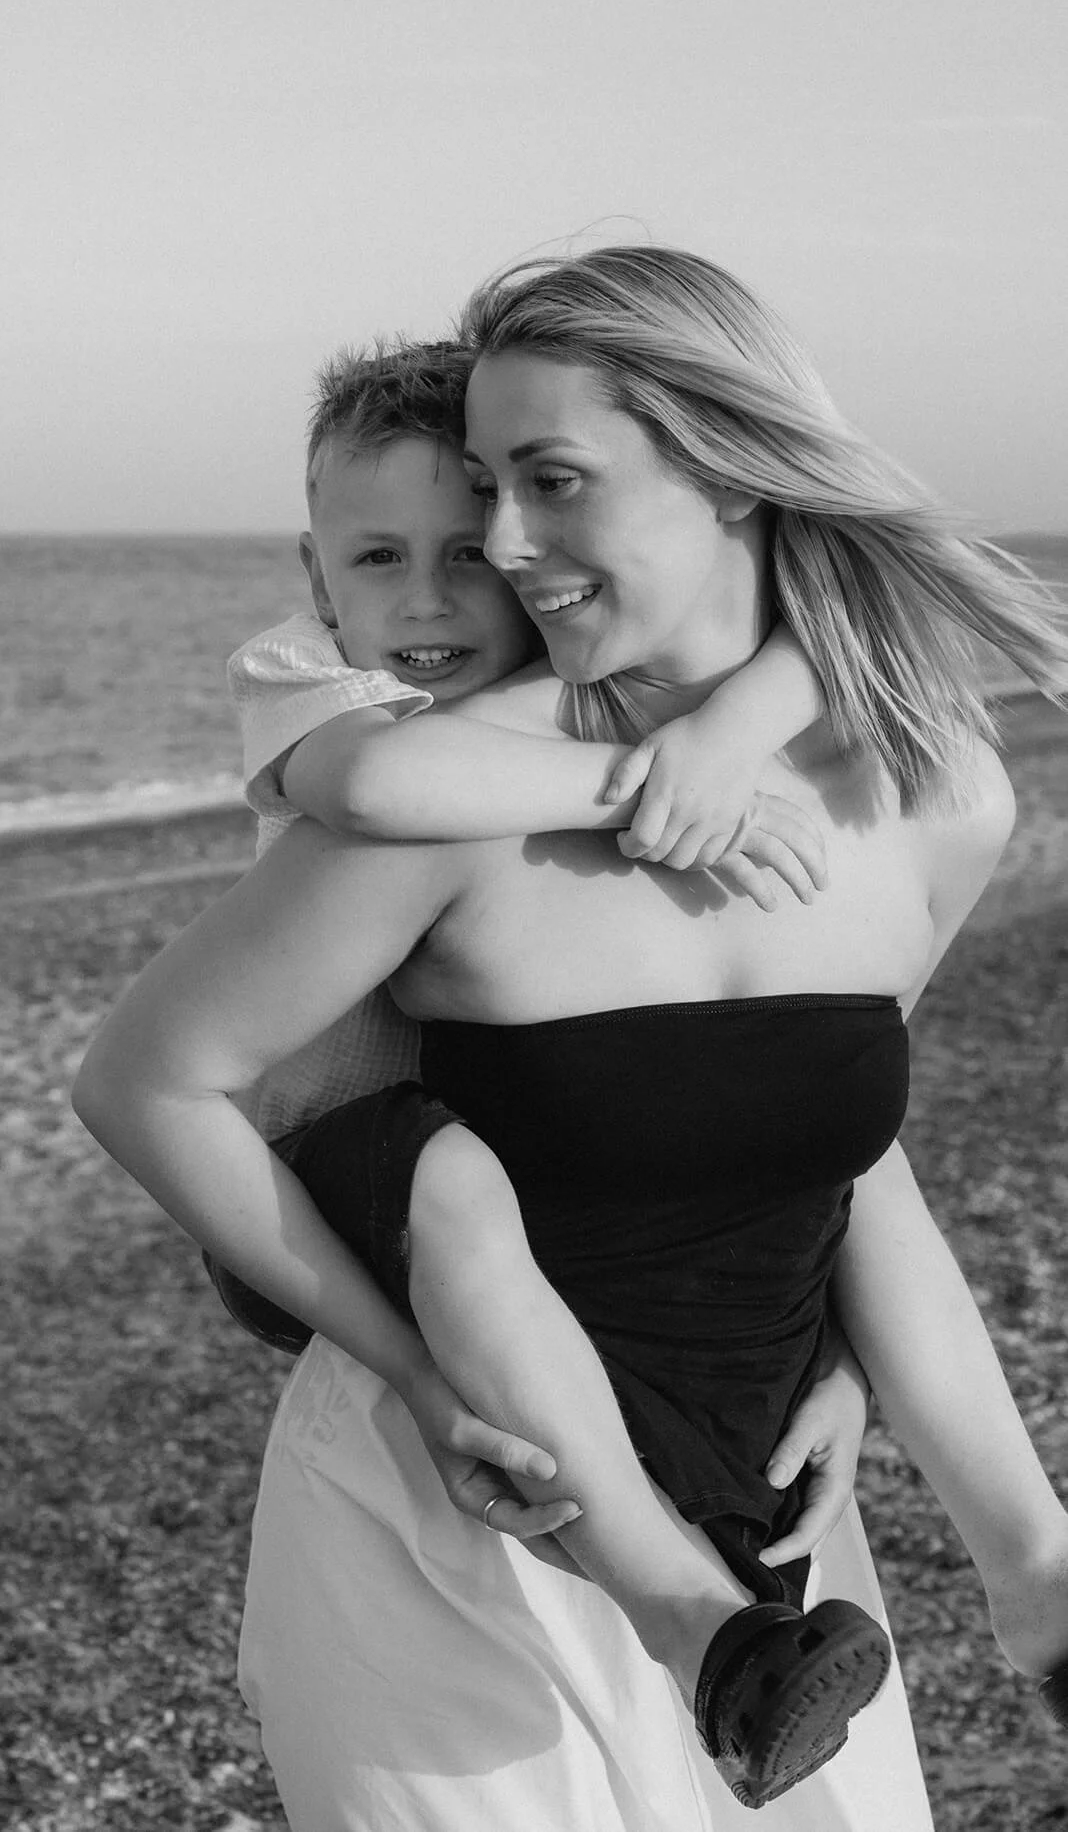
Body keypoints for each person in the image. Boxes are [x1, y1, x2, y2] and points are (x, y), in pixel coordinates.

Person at [73, 246, 1068, 1829]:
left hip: (778, 1566)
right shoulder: (444, 793)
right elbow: (149, 1077)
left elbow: (829, 1143)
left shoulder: (941, 797)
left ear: (739, 474)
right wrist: (414, 1379)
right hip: (451, 1528)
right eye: (486, 496)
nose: (503, 556)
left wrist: (856, 1369)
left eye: (544, 484)